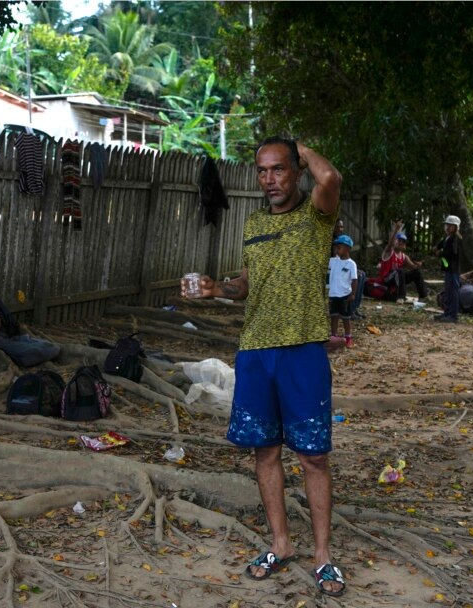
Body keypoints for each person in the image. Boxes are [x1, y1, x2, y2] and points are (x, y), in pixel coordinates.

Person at [184, 137, 346, 597]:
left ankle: (323, 556)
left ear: (296, 171)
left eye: (279, 169)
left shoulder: (317, 217)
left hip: (303, 351)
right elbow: (248, 284)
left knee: (313, 456)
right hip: (256, 352)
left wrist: (302, 146)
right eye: (262, 171)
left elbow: (330, 177)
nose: (270, 179)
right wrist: (219, 289)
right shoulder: (253, 224)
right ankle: (280, 544)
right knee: (265, 453)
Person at [377, 221, 427, 302]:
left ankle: (423, 296)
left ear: (405, 246)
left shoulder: (404, 257)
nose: (400, 243)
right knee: (400, 271)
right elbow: (390, 243)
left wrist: (420, 264)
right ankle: (401, 297)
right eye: (399, 240)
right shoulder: (389, 251)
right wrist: (396, 230)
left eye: (403, 242)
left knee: (417, 272)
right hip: (387, 279)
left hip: (398, 278)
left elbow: (413, 267)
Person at [328, 235, 359, 347]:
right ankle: (334, 336)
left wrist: (353, 294)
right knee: (334, 317)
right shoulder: (333, 261)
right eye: (336, 247)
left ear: (347, 248)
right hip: (333, 294)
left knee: (346, 318)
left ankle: (348, 337)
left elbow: (355, 280)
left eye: (339, 247)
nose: (336, 250)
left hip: (345, 295)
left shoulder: (351, 264)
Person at [333, 219, 366, 318]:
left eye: (342, 227)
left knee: (362, 274)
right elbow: (335, 258)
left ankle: (355, 307)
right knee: (357, 277)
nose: (340, 229)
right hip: (335, 269)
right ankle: (350, 309)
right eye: (338, 226)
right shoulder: (333, 241)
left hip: (342, 267)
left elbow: (345, 258)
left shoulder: (342, 239)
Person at [433, 215, 462, 322]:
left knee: (453, 292)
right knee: (448, 291)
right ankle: (447, 313)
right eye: (447, 225)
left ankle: (453, 315)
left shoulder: (455, 239)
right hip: (448, 269)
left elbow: (452, 253)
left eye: (451, 225)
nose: (448, 227)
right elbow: (441, 244)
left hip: (453, 270)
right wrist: (437, 247)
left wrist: (441, 253)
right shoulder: (447, 237)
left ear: (456, 227)